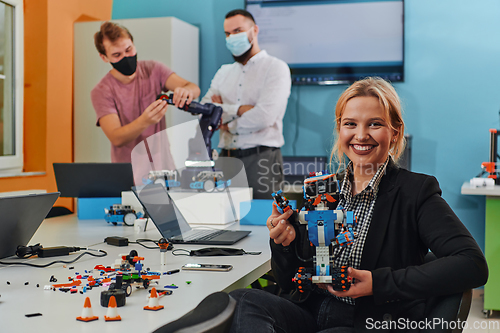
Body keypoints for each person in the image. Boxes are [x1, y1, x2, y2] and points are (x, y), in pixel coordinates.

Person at [228, 77, 488, 332]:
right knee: (243, 300)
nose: (361, 135)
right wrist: (284, 243)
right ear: (340, 129)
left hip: (366, 320)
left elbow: (472, 263)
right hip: (309, 309)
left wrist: (378, 282)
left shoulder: (416, 191)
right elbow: (287, 280)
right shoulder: (322, 190)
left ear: (395, 132)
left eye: (375, 124)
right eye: (350, 124)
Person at [201, 9, 291, 199]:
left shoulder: (276, 68)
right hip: (225, 159)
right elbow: (206, 110)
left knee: (266, 221)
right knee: (225, 219)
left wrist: (225, 121)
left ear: (254, 30)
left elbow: (264, 117)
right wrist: (240, 110)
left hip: (261, 160)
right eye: (227, 33)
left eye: (237, 31)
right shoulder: (223, 72)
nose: (231, 37)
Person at [91, 22, 200, 163]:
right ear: (104, 57)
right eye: (117, 54)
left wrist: (185, 91)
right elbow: (116, 137)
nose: (126, 57)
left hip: (164, 167)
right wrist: (145, 121)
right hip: (130, 172)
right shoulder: (102, 91)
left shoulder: (154, 69)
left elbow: (194, 88)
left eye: (129, 50)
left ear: (134, 45)